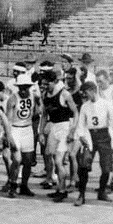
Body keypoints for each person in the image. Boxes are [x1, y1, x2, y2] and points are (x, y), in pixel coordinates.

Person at [75, 80, 113, 206]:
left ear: (93, 91)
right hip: (90, 135)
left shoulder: (106, 104)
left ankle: (102, 191)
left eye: (87, 92)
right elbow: (81, 124)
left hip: (104, 135)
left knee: (106, 167)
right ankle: (81, 195)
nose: (85, 95)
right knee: (84, 165)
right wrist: (81, 136)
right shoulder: (85, 106)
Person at [38, 68, 79, 202]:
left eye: (46, 84)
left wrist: (72, 131)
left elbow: (76, 113)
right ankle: (59, 188)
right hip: (53, 128)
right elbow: (44, 115)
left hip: (64, 127)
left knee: (58, 161)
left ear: (54, 82)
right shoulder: (45, 95)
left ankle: (62, 190)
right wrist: (41, 132)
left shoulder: (64, 94)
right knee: (51, 157)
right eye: (42, 84)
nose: (43, 86)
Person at [5, 73, 39, 198]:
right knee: (17, 159)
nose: (23, 90)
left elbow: (38, 110)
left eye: (26, 87)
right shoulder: (13, 99)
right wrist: (8, 136)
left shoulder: (33, 96)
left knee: (28, 161)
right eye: (21, 87)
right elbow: (7, 120)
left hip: (28, 129)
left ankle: (24, 185)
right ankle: (13, 184)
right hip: (15, 129)